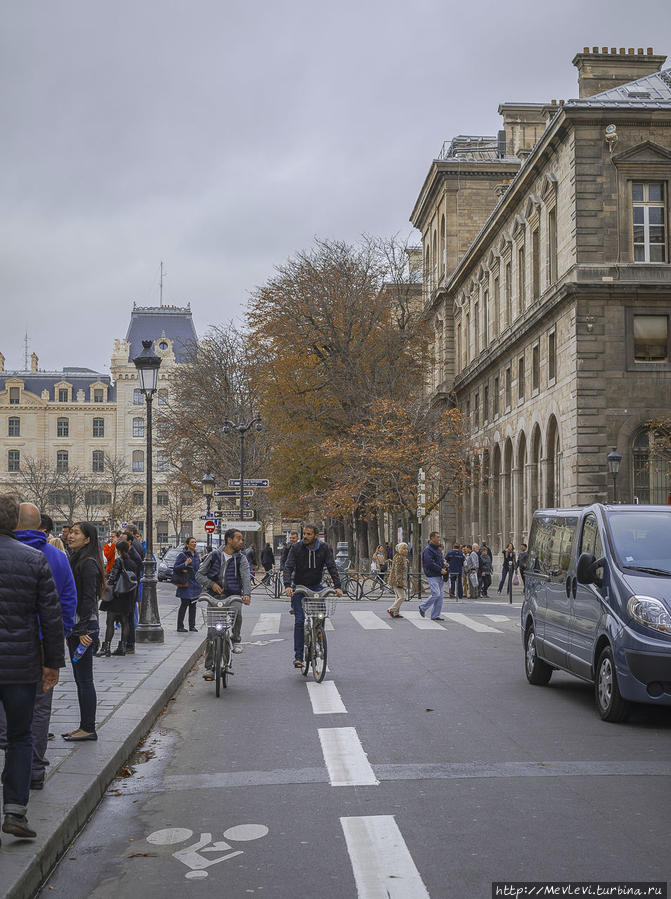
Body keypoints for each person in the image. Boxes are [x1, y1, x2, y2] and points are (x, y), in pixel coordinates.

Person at [0, 494, 64, 841]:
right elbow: (51, 616)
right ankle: (14, 811)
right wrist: (52, 663)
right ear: (15, 524)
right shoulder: (34, 559)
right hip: (21, 665)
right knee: (20, 737)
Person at [64, 522, 103, 741]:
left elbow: (88, 599)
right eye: (71, 532)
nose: (71, 535)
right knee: (81, 679)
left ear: (88, 539)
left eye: (77, 533)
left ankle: (88, 728)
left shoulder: (87, 563)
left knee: (85, 679)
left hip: (84, 629)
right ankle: (84, 726)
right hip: (79, 627)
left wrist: (81, 630)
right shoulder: (78, 558)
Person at [284, 524, 343, 668]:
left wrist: (337, 586)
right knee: (299, 621)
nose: (305, 536)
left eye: (309, 534)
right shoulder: (296, 548)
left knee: (321, 616)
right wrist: (287, 585)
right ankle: (298, 657)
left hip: (316, 586)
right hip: (299, 587)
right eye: (304, 533)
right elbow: (288, 566)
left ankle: (318, 637)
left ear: (316, 536)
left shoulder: (324, 548)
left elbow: (331, 566)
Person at [196, 528, 251, 679]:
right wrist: (211, 584)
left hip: (233, 595)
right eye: (238, 539)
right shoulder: (214, 555)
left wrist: (246, 594)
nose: (241, 542)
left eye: (241, 539)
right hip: (214, 597)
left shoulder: (241, 559)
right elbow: (199, 574)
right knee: (211, 632)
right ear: (229, 540)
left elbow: (246, 577)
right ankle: (208, 668)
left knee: (237, 612)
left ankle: (236, 639)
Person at [97, 539, 136, 656]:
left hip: (117, 595)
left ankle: (106, 647)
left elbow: (113, 578)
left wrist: (107, 582)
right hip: (127, 595)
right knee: (125, 622)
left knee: (110, 621)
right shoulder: (132, 563)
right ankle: (122, 646)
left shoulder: (118, 561)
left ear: (118, 550)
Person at [174, 537, 201, 632]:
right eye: (192, 542)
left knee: (193, 605)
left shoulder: (197, 555)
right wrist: (185, 563)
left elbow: (198, 569)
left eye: (195, 542)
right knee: (184, 604)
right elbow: (175, 568)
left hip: (195, 584)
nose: (194, 544)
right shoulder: (183, 555)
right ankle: (180, 626)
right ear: (187, 545)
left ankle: (192, 626)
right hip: (186, 584)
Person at [419, 532, 447, 620]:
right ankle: (422, 607)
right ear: (432, 538)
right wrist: (440, 569)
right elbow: (429, 563)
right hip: (432, 575)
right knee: (436, 593)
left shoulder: (437, 549)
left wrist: (444, 564)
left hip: (439, 575)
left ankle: (435, 615)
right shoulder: (428, 549)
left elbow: (439, 560)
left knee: (440, 596)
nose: (439, 539)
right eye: (437, 537)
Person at [386, 542, 409, 618]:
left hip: (396, 580)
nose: (406, 550)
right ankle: (391, 609)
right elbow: (398, 571)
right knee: (402, 597)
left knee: (397, 597)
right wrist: (399, 582)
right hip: (397, 581)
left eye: (406, 548)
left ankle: (395, 613)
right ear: (400, 549)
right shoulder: (400, 558)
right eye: (404, 549)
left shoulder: (401, 557)